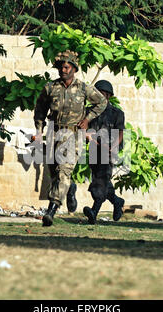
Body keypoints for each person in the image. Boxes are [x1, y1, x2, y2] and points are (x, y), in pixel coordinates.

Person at [34, 50, 107, 227]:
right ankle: (70, 189)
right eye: (60, 67)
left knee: (64, 170)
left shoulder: (83, 88)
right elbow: (40, 110)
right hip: (54, 133)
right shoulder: (50, 88)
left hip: (73, 135)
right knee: (55, 172)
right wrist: (38, 132)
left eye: (66, 67)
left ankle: (51, 210)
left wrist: (87, 119)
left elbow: (102, 102)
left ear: (74, 68)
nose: (63, 70)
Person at [82, 80, 126, 224]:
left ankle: (94, 212)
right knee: (100, 179)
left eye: (101, 93)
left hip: (109, 151)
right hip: (94, 149)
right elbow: (83, 128)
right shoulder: (89, 112)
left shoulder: (117, 113)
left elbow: (120, 132)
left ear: (108, 95)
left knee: (100, 182)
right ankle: (117, 201)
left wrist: (113, 147)